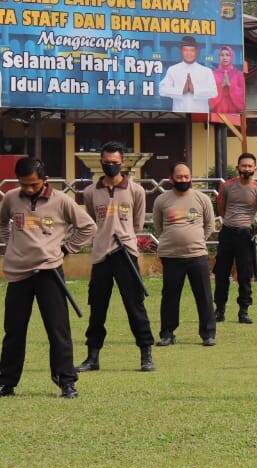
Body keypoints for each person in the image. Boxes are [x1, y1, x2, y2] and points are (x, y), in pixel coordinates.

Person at [0, 157, 97, 399]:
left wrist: (66, 250)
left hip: (49, 271)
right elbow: (2, 223)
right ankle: (6, 382)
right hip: (19, 273)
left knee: (58, 330)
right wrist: (7, 247)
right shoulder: (11, 198)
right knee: (13, 330)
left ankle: (66, 381)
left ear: (45, 180)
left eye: (33, 184)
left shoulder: (62, 201)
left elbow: (88, 227)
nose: (29, 189)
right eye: (24, 185)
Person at [76, 141, 156, 374]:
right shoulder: (90, 192)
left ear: (123, 163)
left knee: (135, 305)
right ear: (101, 162)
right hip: (101, 255)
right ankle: (92, 356)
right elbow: (92, 222)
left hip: (126, 253)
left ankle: (146, 353)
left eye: (115, 163)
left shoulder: (136, 191)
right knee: (97, 308)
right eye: (107, 162)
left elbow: (138, 223)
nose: (111, 166)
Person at [152, 162, 218, 347]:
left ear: (191, 177)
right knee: (170, 296)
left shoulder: (201, 198)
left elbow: (210, 225)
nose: (183, 180)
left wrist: (196, 239)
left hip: (197, 255)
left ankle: (208, 334)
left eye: (186, 176)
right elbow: (158, 226)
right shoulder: (162, 200)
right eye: (179, 177)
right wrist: (173, 239)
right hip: (171, 256)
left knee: (204, 295)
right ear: (171, 178)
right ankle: (167, 334)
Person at [214, 152, 257, 325]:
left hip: (245, 235)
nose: (246, 168)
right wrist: (229, 222)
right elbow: (220, 206)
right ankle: (220, 310)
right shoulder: (227, 186)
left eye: (249, 166)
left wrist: (254, 232)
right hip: (227, 233)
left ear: (255, 169)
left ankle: (243, 311)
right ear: (237, 167)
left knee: (245, 275)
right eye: (243, 165)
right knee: (221, 272)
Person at [158, 35, 218, 113]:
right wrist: (181, 91)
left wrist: (195, 90)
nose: (188, 53)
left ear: (197, 51)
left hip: (200, 115)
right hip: (179, 115)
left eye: (192, 50)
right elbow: (162, 90)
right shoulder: (173, 70)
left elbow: (213, 92)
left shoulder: (206, 71)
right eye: (185, 50)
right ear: (181, 51)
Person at [208, 45, 246, 115]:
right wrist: (221, 85)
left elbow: (243, 92)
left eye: (227, 55)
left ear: (231, 57)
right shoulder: (213, 74)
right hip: (218, 108)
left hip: (234, 108)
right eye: (222, 55)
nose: (224, 57)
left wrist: (230, 85)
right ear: (219, 57)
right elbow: (209, 92)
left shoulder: (239, 74)